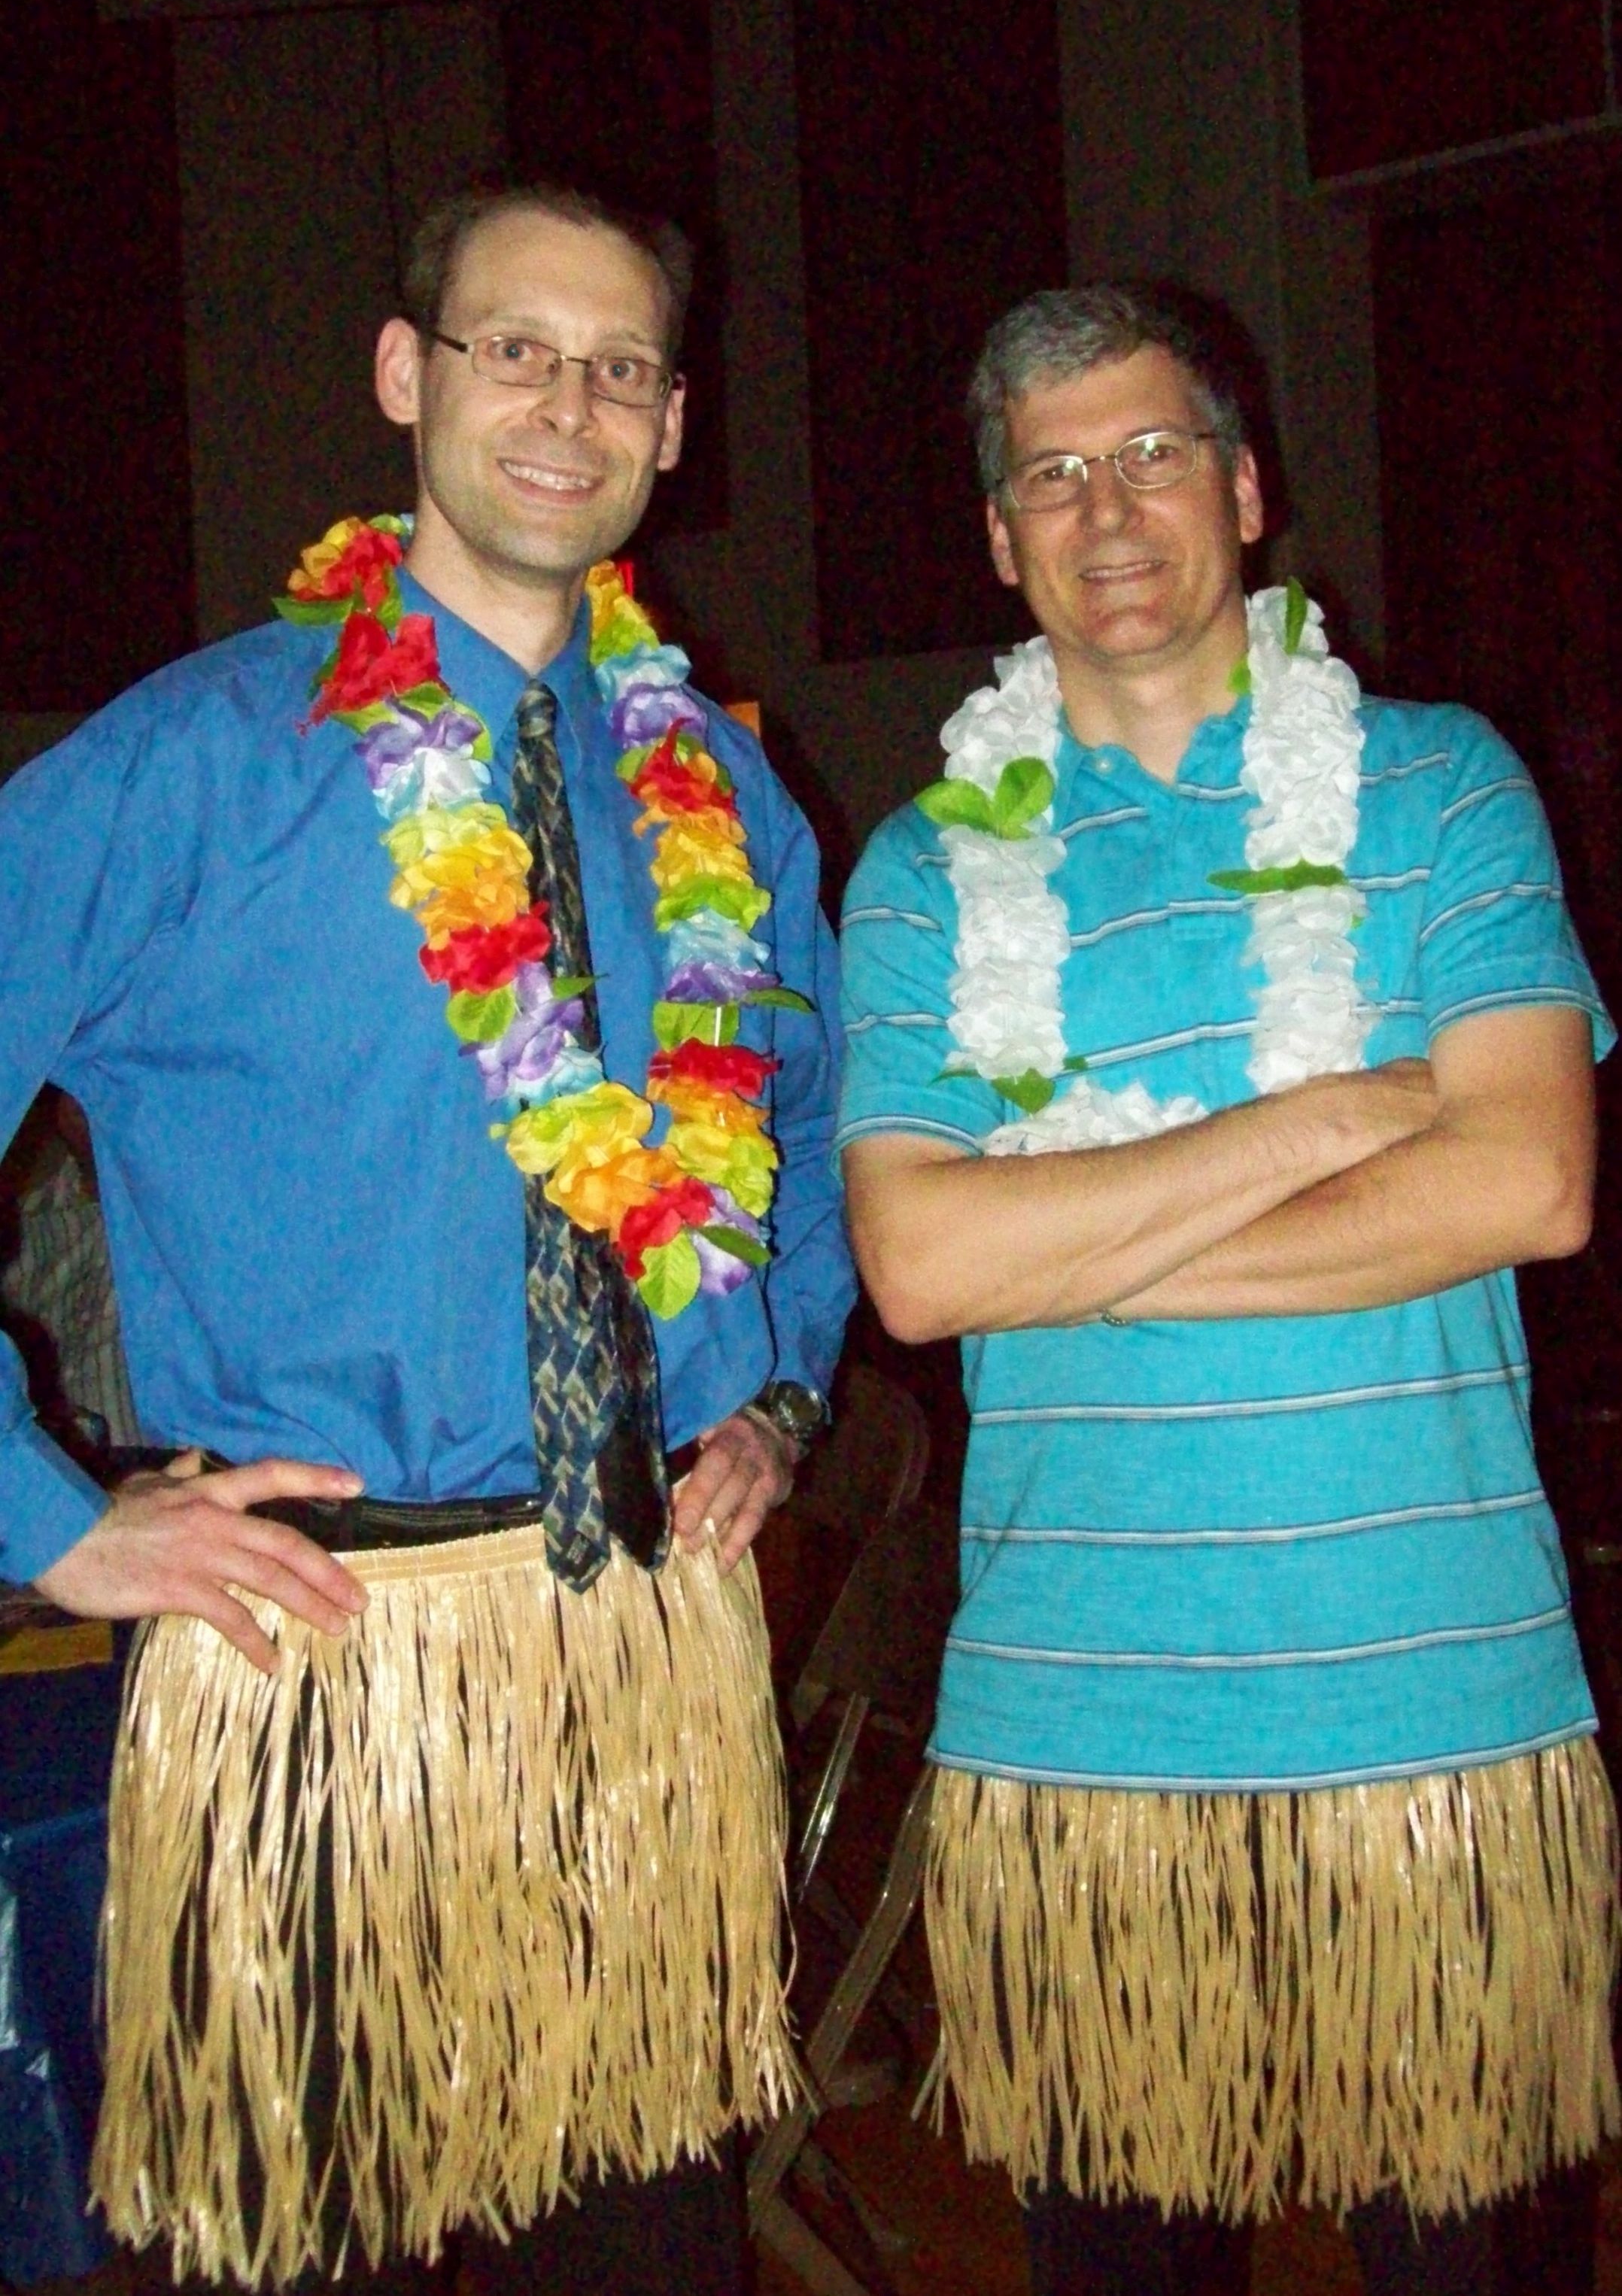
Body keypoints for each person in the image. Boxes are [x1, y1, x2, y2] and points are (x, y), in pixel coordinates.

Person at [0, 179, 853, 2296]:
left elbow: (808, 1133)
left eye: (621, 364)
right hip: (318, 1673)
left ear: (673, 425)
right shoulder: (193, 764)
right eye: (512, 346)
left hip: (646, 1659)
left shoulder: (730, 804)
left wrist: (781, 1385)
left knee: (644, 2256)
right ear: (405, 377)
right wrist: (48, 1515)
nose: (566, 401)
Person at [836, 283, 1618, 2296]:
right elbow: (918, 1268)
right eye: (1050, 474)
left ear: (1246, 488)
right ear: (1000, 538)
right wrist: (1330, 1123)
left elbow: (1525, 1179)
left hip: (1433, 1717)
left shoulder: (1438, 788)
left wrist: (1077, 1231)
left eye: (1153, 451)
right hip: (1087, 1744)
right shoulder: (927, 872)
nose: (1107, 508)